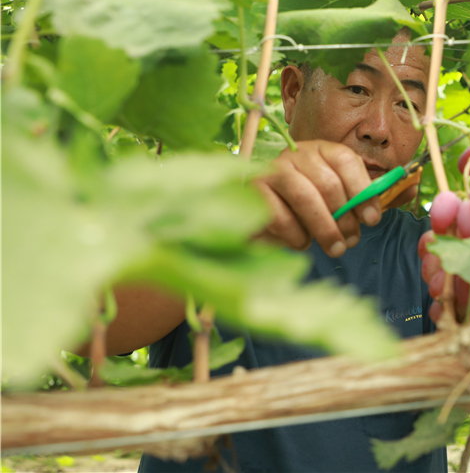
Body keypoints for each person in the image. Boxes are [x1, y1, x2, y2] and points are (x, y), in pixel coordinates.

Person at [100, 30, 446, 472]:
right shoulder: (197, 211)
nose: (380, 128)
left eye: (407, 106)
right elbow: (93, 326)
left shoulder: (433, 251)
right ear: (292, 91)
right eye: (357, 89)